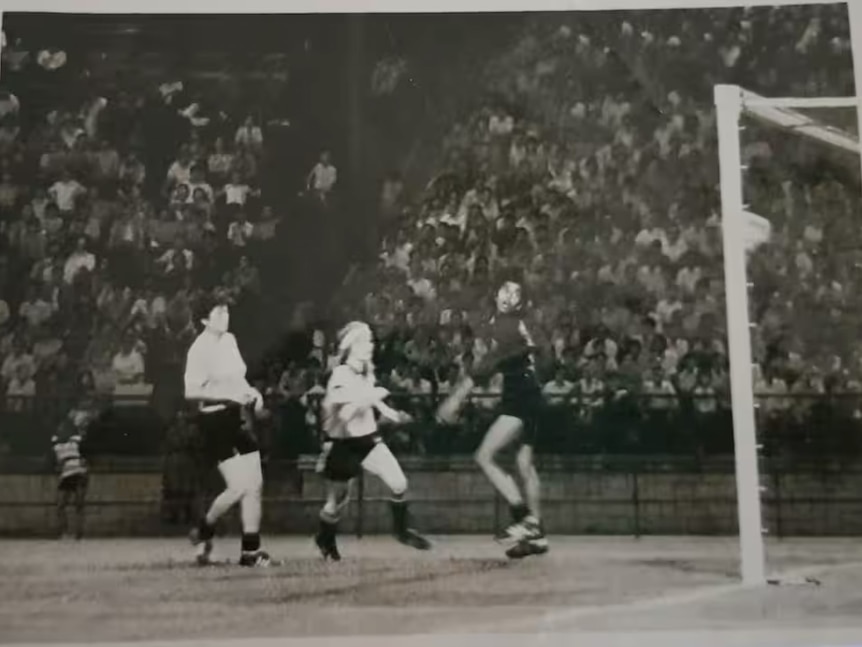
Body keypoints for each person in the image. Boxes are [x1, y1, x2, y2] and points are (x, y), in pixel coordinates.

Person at [436, 279, 548, 559]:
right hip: (531, 393)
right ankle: (538, 536)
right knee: (524, 463)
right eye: (504, 290)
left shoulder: (506, 324)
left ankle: (524, 519)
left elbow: (490, 363)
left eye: (512, 292)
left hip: (521, 396)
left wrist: (456, 398)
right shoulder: (522, 323)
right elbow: (537, 354)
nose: (506, 295)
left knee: (484, 456)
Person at [315, 321, 431, 561]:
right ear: (352, 345)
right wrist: (371, 396)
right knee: (337, 501)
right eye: (365, 341)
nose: (370, 345)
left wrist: (390, 413)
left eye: (370, 340)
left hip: (368, 440)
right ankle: (325, 538)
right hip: (343, 443)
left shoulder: (367, 371)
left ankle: (401, 531)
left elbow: (372, 400)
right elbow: (346, 414)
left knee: (399, 483)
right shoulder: (340, 374)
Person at [184, 295, 270, 567]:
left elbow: (238, 379)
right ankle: (204, 529)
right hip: (214, 422)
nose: (225, 316)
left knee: (254, 485)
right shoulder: (199, 349)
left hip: (235, 418)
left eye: (226, 311)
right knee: (238, 487)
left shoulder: (230, 340)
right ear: (204, 320)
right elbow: (191, 391)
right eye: (218, 313)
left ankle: (250, 552)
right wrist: (227, 398)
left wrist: (252, 394)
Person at [51, 407, 92, 540]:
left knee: (79, 504)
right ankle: (63, 531)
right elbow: (56, 462)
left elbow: (85, 451)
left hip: (79, 472)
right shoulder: (56, 443)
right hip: (66, 474)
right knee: (61, 505)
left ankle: (79, 532)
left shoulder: (76, 440)